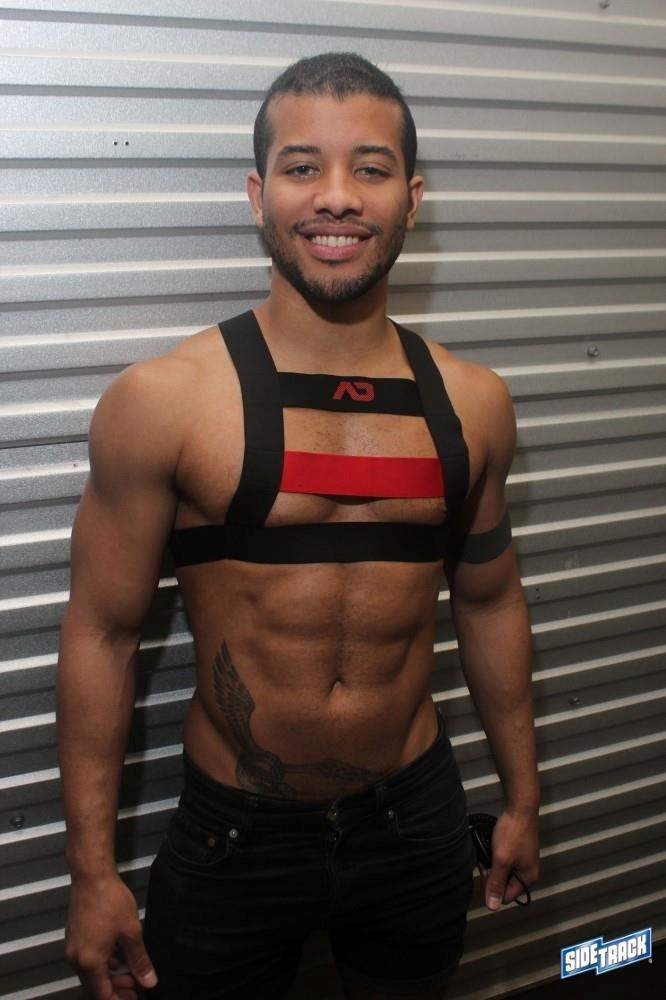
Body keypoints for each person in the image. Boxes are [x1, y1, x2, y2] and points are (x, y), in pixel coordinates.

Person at [58, 52, 540, 1000]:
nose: (337, 197)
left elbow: (490, 601)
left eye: (371, 168)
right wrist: (90, 874)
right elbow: (102, 634)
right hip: (235, 835)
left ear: (411, 200)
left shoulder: (474, 403)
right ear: (258, 195)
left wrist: (522, 797)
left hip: (416, 818)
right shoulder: (163, 402)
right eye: (302, 166)